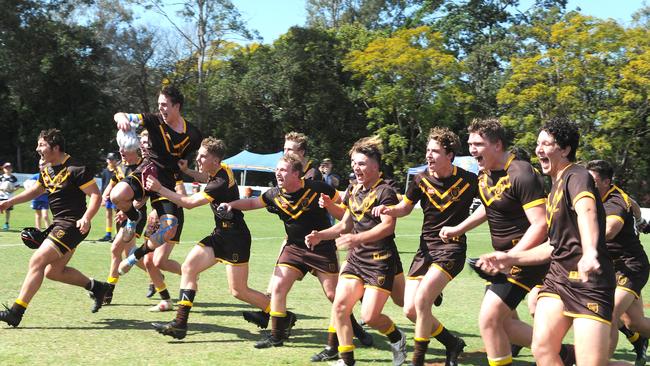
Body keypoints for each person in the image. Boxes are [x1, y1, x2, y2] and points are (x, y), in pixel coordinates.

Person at [480, 118, 616, 365]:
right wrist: (509, 258)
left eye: (546, 144)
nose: (538, 150)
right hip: (557, 279)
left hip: (590, 284)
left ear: (564, 150)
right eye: (537, 144)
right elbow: (554, 246)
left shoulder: (577, 176)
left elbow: (587, 211)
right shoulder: (553, 187)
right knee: (542, 349)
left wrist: (589, 252)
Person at [220, 153, 370, 351]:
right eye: (277, 169)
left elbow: (345, 214)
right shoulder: (274, 194)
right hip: (294, 248)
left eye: (283, 169)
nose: (278, 173)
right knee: (279, 287)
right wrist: (231, 205)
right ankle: (276, 336)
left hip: (322, 247)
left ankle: (355, 329)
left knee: (334, 295)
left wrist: (330, 206)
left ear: (297, 174)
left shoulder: (319, 188)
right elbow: (252, 203)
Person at [439, 118, 550, 366]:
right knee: (505, 324)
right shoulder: (485, 173)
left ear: (497, 144)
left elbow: (540, 225)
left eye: (478, 144)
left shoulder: (521, 173)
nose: (472, 149)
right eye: (470, 143)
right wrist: (459, 227)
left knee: (489, 320)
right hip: (506, 259)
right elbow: (489, 207)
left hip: (525, 257)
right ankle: (564, 354)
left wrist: (510, 258)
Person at [146, 137, 270, 339]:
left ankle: (276, 312)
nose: (198, 158)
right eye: (199, 154)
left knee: (238, 291)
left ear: (215, 160)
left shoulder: (219, 183)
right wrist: (187, 172)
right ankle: (180, 324)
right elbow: (205, 178)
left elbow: (188, 202)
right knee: (189, 267)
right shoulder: (222, 170)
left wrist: (160, 188)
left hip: (235, 238)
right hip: (221, 234)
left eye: (203, 156)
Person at [372, 127, 476, 366]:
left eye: (435, 151)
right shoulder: (420, 179)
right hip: (425, 251)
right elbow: (406, 208)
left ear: (449, 155)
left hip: (452, 248)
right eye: (428, 150)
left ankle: (417, 360)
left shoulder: (470, 181)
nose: (429, 155)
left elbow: (491, 206)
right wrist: (389, 209)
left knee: (423, 301)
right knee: (410, 310)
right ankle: (452, 343)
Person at [306, 136, 407, 366]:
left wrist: (356, 238)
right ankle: (346, 360)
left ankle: (396, 337)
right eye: (353, 162)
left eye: (361, 163)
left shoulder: (386, 191)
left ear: (375, 165)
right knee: (340, 307)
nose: (355, 167)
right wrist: (320, 234)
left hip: (380, 260)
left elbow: (387, 226)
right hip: (356, 260)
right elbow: (345, 224)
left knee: (370, 317)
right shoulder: (353, 189)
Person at [0, 129, 107, 328]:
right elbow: (35, 191)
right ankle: (97, 287)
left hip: (73, 224)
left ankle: (16, 312)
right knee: (54, 272)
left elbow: (95, 195)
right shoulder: (48, 169)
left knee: (37, 261)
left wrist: (87, 218)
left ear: (55, 147)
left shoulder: (76, 169)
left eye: (42, 145)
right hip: (59, 224)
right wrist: (9, 202)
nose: (37, 148)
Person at [110, 85, 202, 314]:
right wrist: (121, 117)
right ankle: (133, 219)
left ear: (176, 106)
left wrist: (187, 169)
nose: (160, 108)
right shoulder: (153, 121)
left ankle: (136, 259)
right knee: (116, 195)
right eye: (159, 104)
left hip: (166, 185)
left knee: (166, 233)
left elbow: (196, 163)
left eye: (164, 104)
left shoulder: (194, 134)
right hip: (147, 172)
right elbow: (124, 116)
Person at [242, 131, 322, 325]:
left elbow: (303, 202)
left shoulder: (312, 174)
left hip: (319, 238)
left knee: (333, 291)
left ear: (302, 152)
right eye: (284, 148)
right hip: (296, 238)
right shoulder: (288, 170)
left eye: (290, 149)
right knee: (279, 271)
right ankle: (268, 311)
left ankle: (357, 327)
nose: (285, 152)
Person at [586, 159, 650, 365]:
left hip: (630, 267)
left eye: (593, 181)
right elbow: (634, 202)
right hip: (609, 267)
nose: (588, 184)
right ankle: (640, 340)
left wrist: (579, 241)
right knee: (635, 323)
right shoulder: (595, 195)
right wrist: (641, 222)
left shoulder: (615, 201)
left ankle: (601, 361)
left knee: (609, 313)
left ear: (607, 182)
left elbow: (610, 231)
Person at [100, 132, 149, 305]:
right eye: (120, 147)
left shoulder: (143, 168)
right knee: (129, 254)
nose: (121, 151)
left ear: (136, 150)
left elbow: (143, 198)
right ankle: (155, 276)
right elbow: (114, 181)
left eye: (125, 149)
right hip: (123, 214)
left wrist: (128, 209)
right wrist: (104, 195)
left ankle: (108, 290)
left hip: (136, 216)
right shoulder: (121, 167)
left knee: (116, 250)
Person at [98, 153, 120, 241]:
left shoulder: (118, 171)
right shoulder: (104, 171)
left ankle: (117, 234)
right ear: (107, 160)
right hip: (107, 197)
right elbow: (103, 185)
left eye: (113, 159)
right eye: (109, 159)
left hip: (116, 195)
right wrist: (102, 197)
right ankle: (108, 234)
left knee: (117, 215)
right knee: (108, 215)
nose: (111, 161)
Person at [25, 159, 51, 230]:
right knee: (38, 216)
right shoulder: (35, 176)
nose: (42, 166)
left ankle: (48, 231)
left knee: (45, 216)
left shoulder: (49, 177)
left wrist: (42, 191)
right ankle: (38, 231)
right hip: (36, 199)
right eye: (41, 165)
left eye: (44, 164)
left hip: (45, 199)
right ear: (39, 166)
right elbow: (27, 185)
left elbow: (50, 189)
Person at [0, 162, 18, 231]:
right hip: (1, 196)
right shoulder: (1, 177)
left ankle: (6, 223)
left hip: (9, 197)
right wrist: (2, 189)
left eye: (9, 168)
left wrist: (12, 190)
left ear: (11, 169)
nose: (7, 169)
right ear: (3, 169)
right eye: (6, 168)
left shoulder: (13, 178)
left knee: (8, 211)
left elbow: (17, 186)